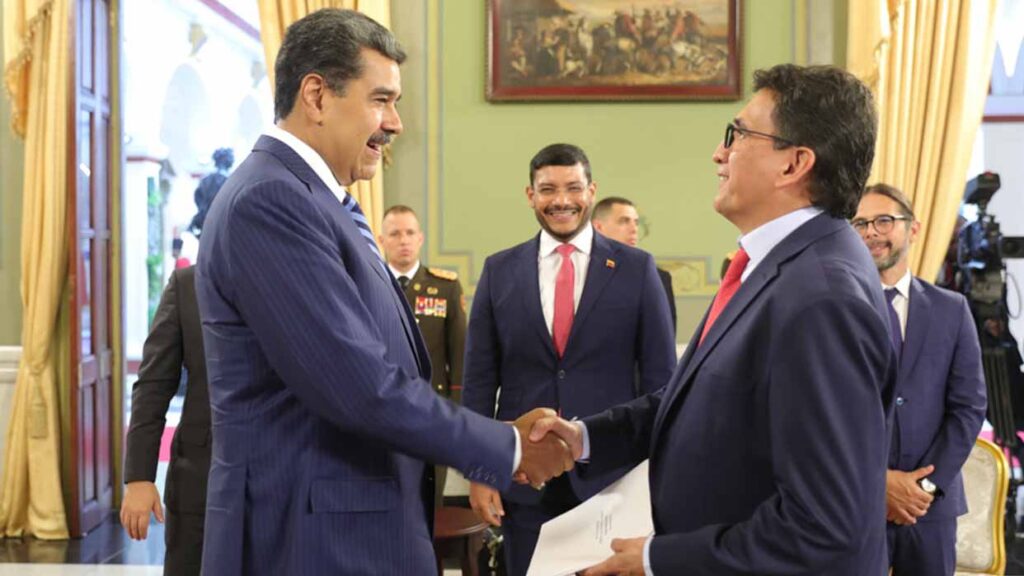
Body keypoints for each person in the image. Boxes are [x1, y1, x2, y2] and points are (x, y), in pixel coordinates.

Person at [193, 10, 572, 576]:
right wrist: (506, 446)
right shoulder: (271, 201)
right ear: (317, 96)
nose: (395, 123)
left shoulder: (317, 200)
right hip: (311, 541)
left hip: (349, 530)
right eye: (381, 100)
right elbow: (359, 386)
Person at [529, 64, 898, 575]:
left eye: (738, 135)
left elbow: (825, 526)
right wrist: (585, 437)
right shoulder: (775, 267)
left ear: (794, 163)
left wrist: (656, 559)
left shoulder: (822, 297)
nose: (719, 154)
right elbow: (703, 396)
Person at [463, 143, 677, 576]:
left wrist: (655, 478)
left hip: (613, 483)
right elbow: (480, 381)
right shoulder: (499, 271)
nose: (561, 200)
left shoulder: (638, 270)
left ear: (591, 191)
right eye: (548, 189)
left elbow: (662, 385)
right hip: (525, 485)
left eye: (573, 188)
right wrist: (480, 470)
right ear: (531, 195)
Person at [853, 183, 986, 575]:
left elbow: (969, 408)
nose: (871, 232)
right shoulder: (835, 309)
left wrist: (924, 488)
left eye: (883, 221)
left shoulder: (952, 310)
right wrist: (878, 484)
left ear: (913, 229)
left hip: (930, 509)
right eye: (860, 223)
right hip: (856, 504)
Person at [121, 266, 209, 576]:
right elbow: (152, 386)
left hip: (282, 480)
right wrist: (139, 478)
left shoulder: (298, 278)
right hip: (199, 476)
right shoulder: (187, 286)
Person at [378, 204, 468, 505]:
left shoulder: (445, 287)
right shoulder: (368, 284)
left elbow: (459, 353)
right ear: (381, 240)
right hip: (381, 406)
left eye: (409, 233)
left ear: (420, 238)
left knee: (430, 500)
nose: (403, 240)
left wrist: (457, 410)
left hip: (433, 408)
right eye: (395, 234)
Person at [591, 196, 677, 334]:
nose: (634, 229)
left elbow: (665, 336)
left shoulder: (659, 277)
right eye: (624, 221)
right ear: (598, 227)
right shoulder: (581, 272)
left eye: (636, 222)